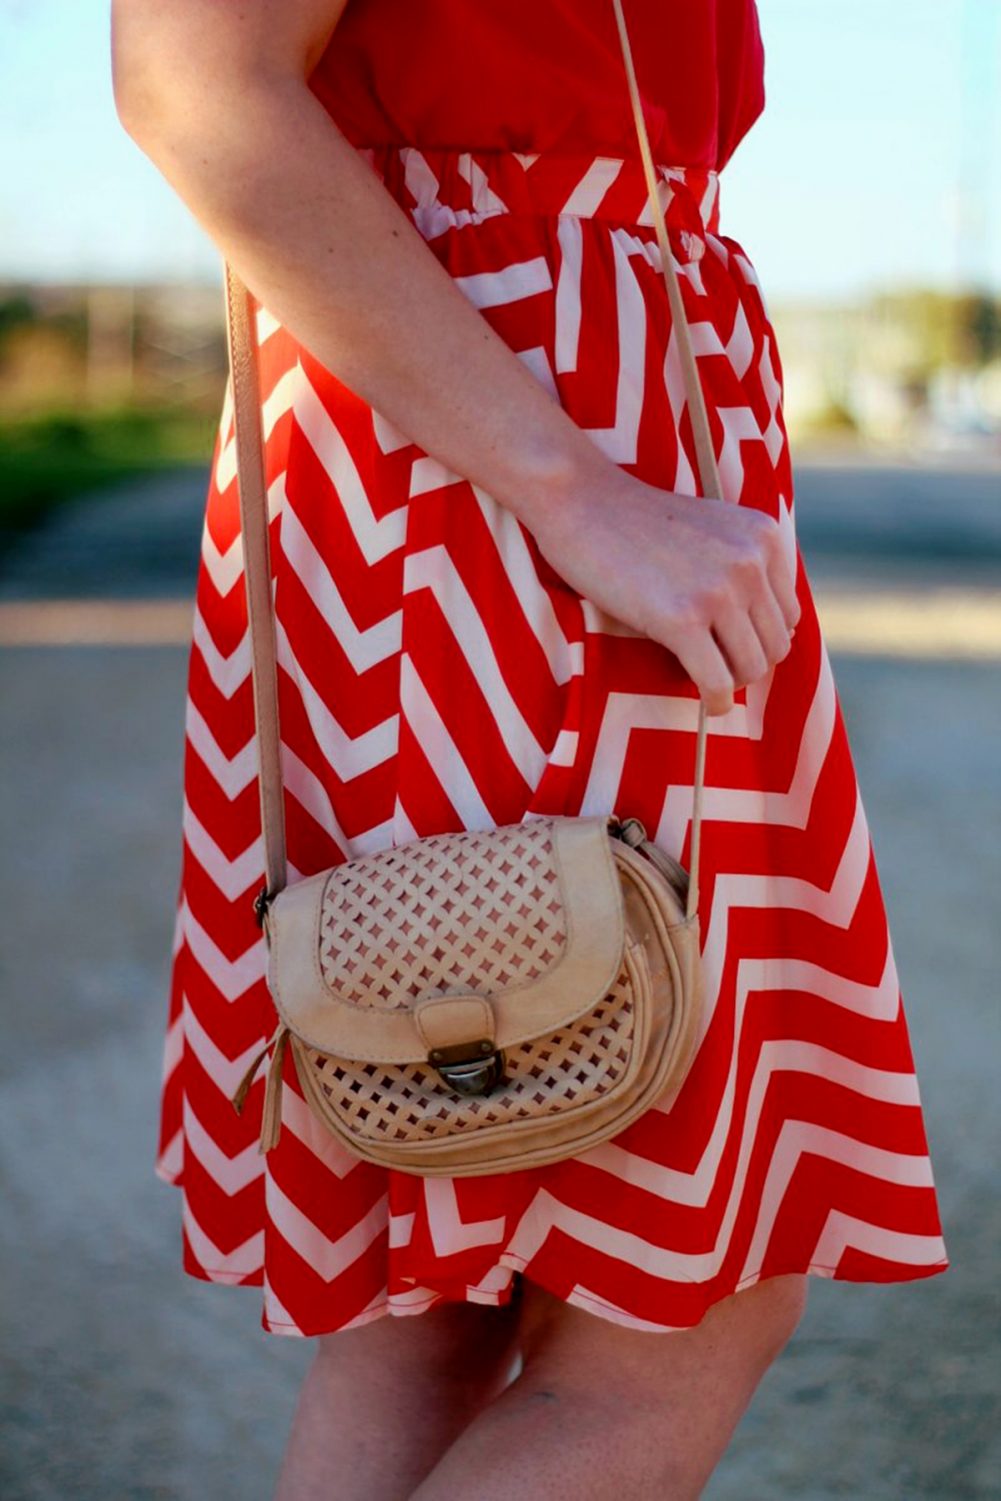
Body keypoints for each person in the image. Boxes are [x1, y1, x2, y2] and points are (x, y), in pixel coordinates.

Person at [112, 1, 949, 1496]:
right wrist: (567, 485)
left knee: (439, 1283)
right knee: (675, 1303)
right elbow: (190, 77)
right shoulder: (553, 456)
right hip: (512, 466)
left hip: (499, 454)